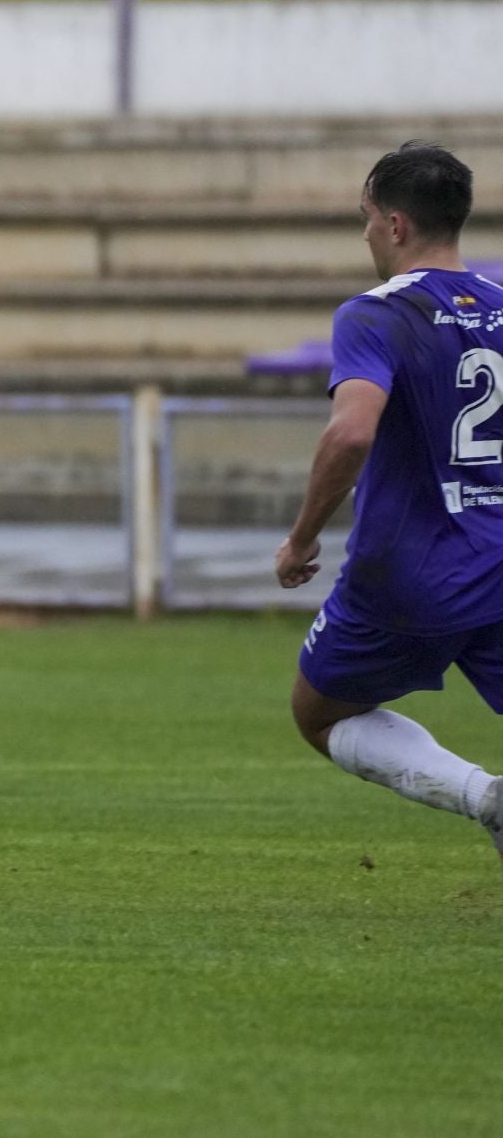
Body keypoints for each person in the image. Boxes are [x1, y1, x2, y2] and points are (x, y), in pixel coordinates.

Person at [278, 141, 503, 862]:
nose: (368, 233)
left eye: (368, 218)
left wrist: (303, 537)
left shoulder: (375, 315)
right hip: (500, 560)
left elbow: (349, 434)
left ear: (397, 225)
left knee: (319, 714)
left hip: (410, 572)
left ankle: (486, 798)